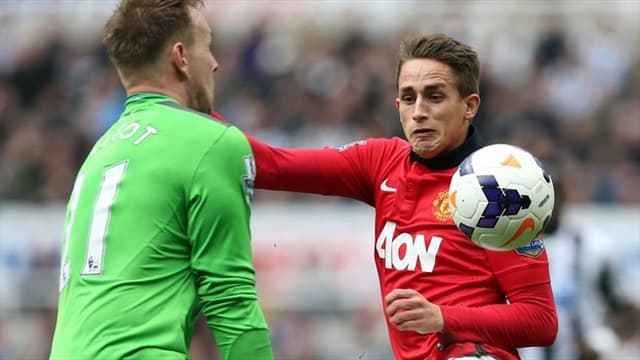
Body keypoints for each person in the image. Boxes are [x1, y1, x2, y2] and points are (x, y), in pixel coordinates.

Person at [245, 34, 557, 360]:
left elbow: (540, 320)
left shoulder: (500, 188)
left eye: (434, 97)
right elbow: (271, 165)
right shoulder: (381, 163)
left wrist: (443, 317)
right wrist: (191, 117)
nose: (419, 111)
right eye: (409, 98)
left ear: (470, 106)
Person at [49, 1, 272, 359]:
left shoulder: (99, 154)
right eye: (207, 44)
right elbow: (232, 302)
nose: (214, 62)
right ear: (181, 56)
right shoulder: (212, 141)